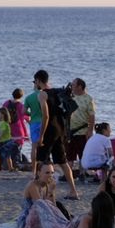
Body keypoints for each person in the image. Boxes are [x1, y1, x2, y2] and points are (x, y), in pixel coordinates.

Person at [32, 70, 79, 199]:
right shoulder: (58, 92)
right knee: (63, 162)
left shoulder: (42, 94)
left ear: (38, 80)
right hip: (60, 129)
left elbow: (45, 116)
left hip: (49, 130)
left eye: (35, 81)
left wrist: (41, 135)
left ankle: (36, 190)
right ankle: (73, 191)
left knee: (40, 160)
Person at [20, 162, 73, 228]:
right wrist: (50, 191)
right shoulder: (33, 185)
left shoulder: (48, 184)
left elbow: (53, 206)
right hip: (28, 218)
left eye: (52, 173)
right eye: (47, 173)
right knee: (40, 203)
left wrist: (51, 191)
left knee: (58, 206)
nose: (50, 175)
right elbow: (40, 206)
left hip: (44, 215)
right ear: (39, 173)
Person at [67, 78, 95, 163]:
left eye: (73, 85)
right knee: (69, 155)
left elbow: (92, 116)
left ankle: (83, 173)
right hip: (70, 131)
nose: (71, 87)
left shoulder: (88, 99)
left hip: (82, 131)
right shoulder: (70, 97)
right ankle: (68, 173)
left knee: (83, 154)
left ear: (79, 86)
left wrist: (90, 131)